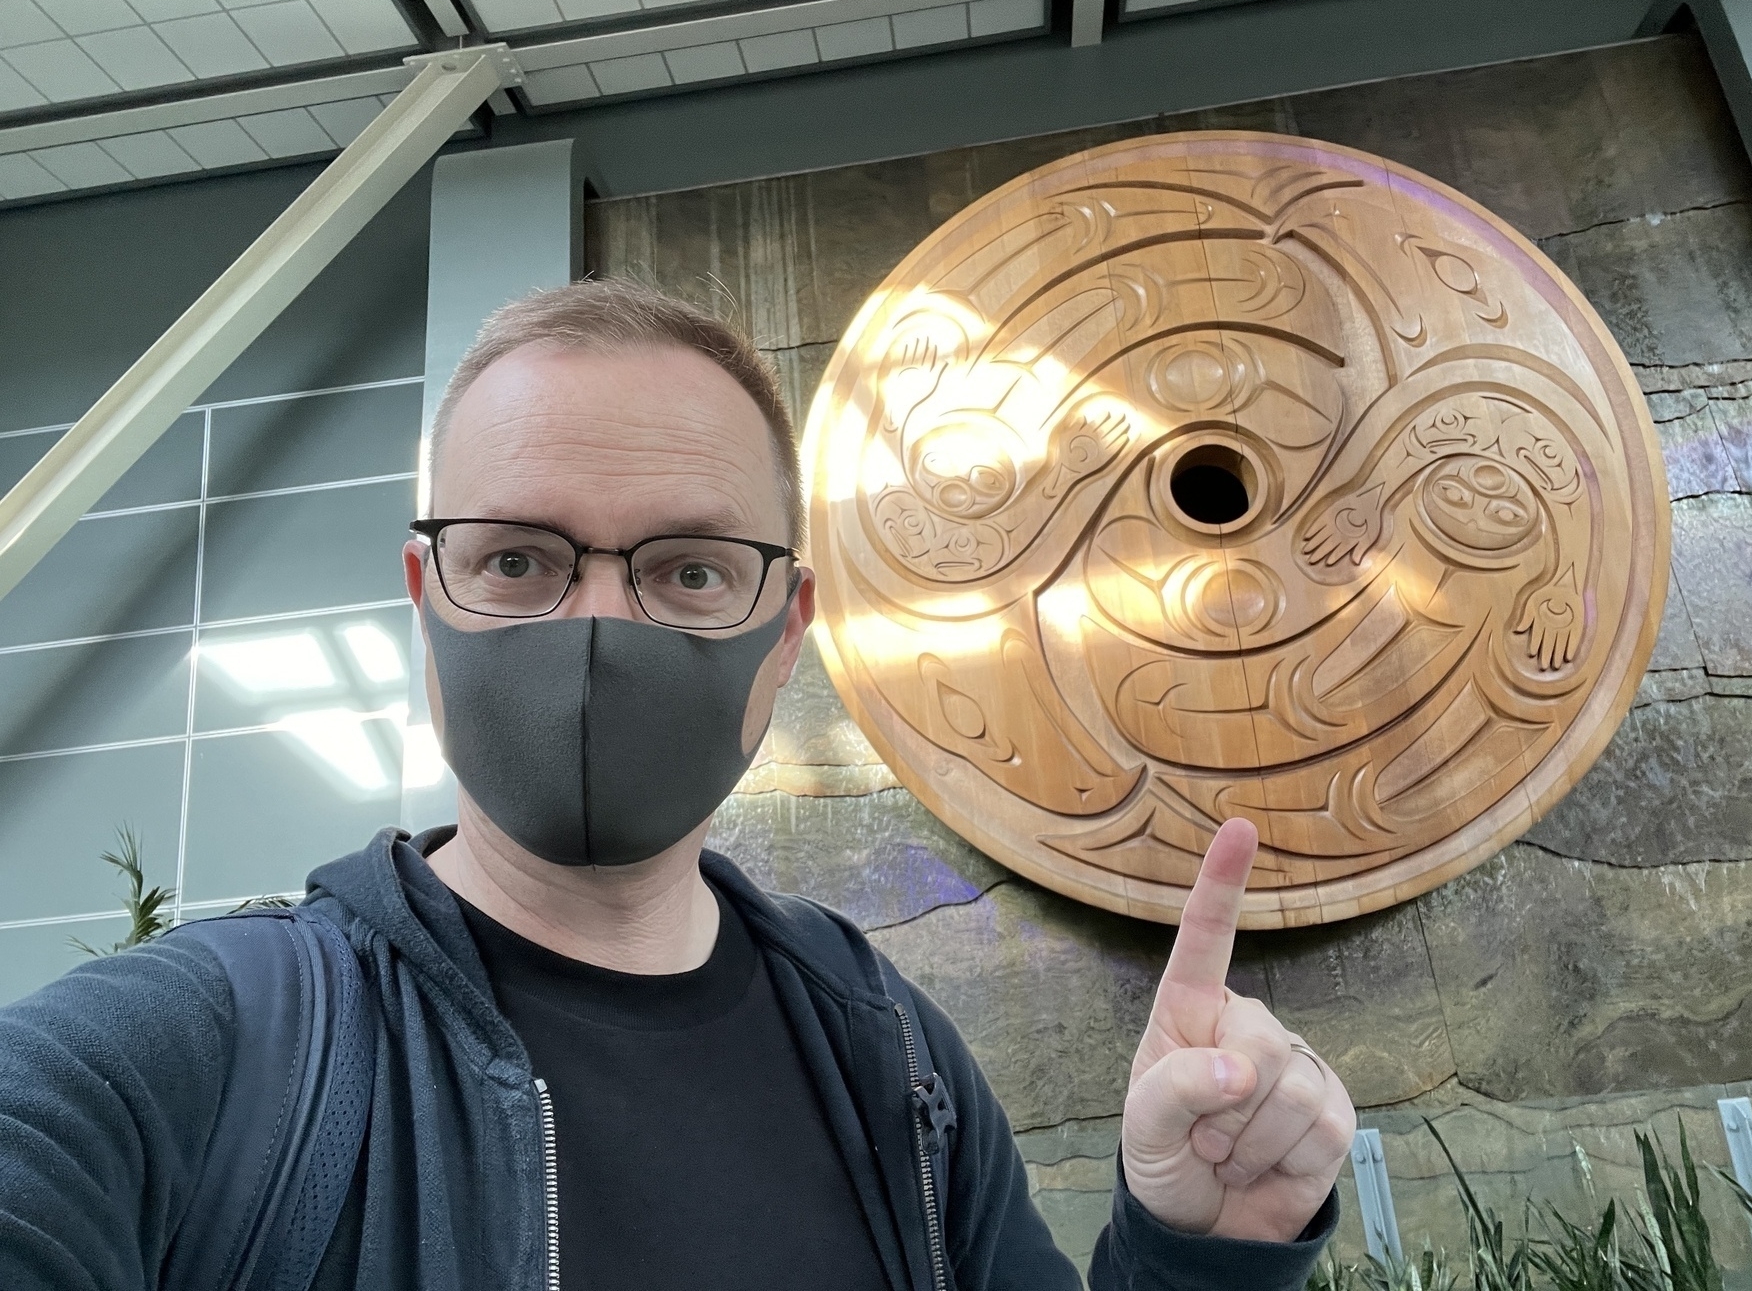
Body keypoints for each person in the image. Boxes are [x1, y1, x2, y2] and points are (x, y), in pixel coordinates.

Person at [0, 280, 1355, 1290]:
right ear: (429, 600)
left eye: (691, 570)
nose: (600, 630)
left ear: (785, 632)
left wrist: (1199, 1251)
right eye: (520, 559)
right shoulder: (212, 1057)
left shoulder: (893, 1057)